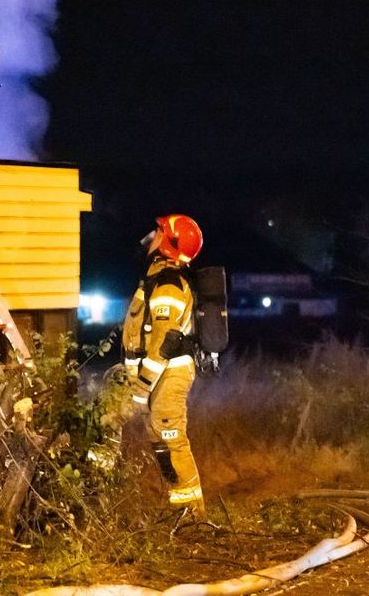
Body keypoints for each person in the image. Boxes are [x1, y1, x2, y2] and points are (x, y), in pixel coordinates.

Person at [122, 214, 207, 520]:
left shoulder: (169, 283)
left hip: (168, 375)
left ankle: (193, 517)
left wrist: (142, 388)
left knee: (172, 440)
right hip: (161, 374)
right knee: (160, 441)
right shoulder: (157, 278)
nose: (152, 236)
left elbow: (164, 341)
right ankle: (179, 511)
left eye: (158, 231)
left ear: (169, 244)